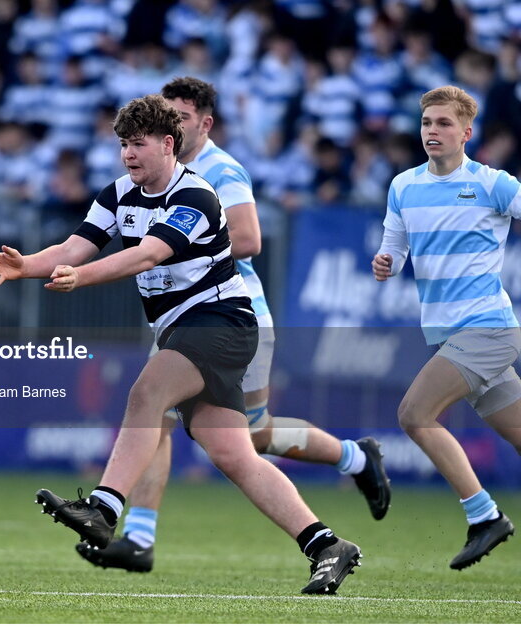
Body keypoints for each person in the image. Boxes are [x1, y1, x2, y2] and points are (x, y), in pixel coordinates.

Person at [0, 94, 361, 595]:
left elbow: (146, 256)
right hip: (187, 328)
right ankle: (326, 545)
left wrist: (81, 277)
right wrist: (28, 264)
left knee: (147, 396)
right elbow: (76, 247)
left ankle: (102, 508)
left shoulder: (197, 196)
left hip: (221, 322)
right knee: (234, 454)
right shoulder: (119, 193)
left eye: (137, 144)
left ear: (167, 144)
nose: (128, 155)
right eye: (122, 145)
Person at [75, 77, 391, 574]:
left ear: (203, 123)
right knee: (206, 433)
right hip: (186, 315)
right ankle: (141, 534)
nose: (170, 127)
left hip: (227, 313)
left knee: (214, 424)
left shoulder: (220, 172)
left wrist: (174, 242)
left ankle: (354, 457)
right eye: (163, 117)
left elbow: (248, 239)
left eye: (178, 119)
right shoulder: (142, 181)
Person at [373, 85, 520, 570]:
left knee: (414, 414)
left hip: (487, 329)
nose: (432, 132)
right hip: (447, 334)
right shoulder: (403, 186)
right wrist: (385, 263)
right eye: (426, 123)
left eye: (443, 124)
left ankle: (484, 516)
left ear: (466, 132)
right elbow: (395, 254)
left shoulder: (493, 183)